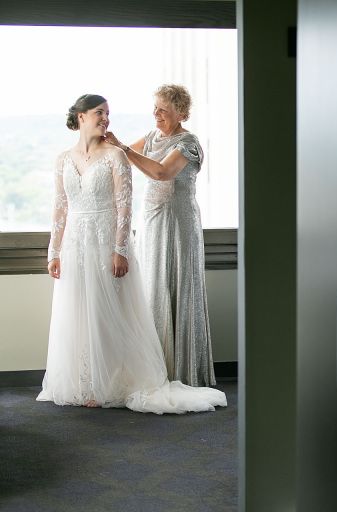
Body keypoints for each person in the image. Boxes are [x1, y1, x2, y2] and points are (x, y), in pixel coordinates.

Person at [37, 93, 226, 414]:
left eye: (107, 114)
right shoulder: (63, 159)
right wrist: (53, 250)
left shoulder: (118, 156)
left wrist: (120, 249)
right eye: (99, 113)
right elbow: (60, 206)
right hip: (75, 244)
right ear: (80, 117)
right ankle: (83, 381)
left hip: (109, 239)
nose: (106, 119)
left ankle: (108, 381)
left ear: (180, 113)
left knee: (106, 312)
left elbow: (126, 204)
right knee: (77, 310)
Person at [104, 84, 216, 387]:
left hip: (178, 220)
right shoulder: (153, 136)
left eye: (163, 109)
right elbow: (122, 157)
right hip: (151, 219)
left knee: (176, 283)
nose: (156, 114)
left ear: (180, 113)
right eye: (155, 108)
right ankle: (153, 367)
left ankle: (181, 371)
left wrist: (124, 148)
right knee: (152, 285)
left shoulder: (188, 142)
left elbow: (162, 173)